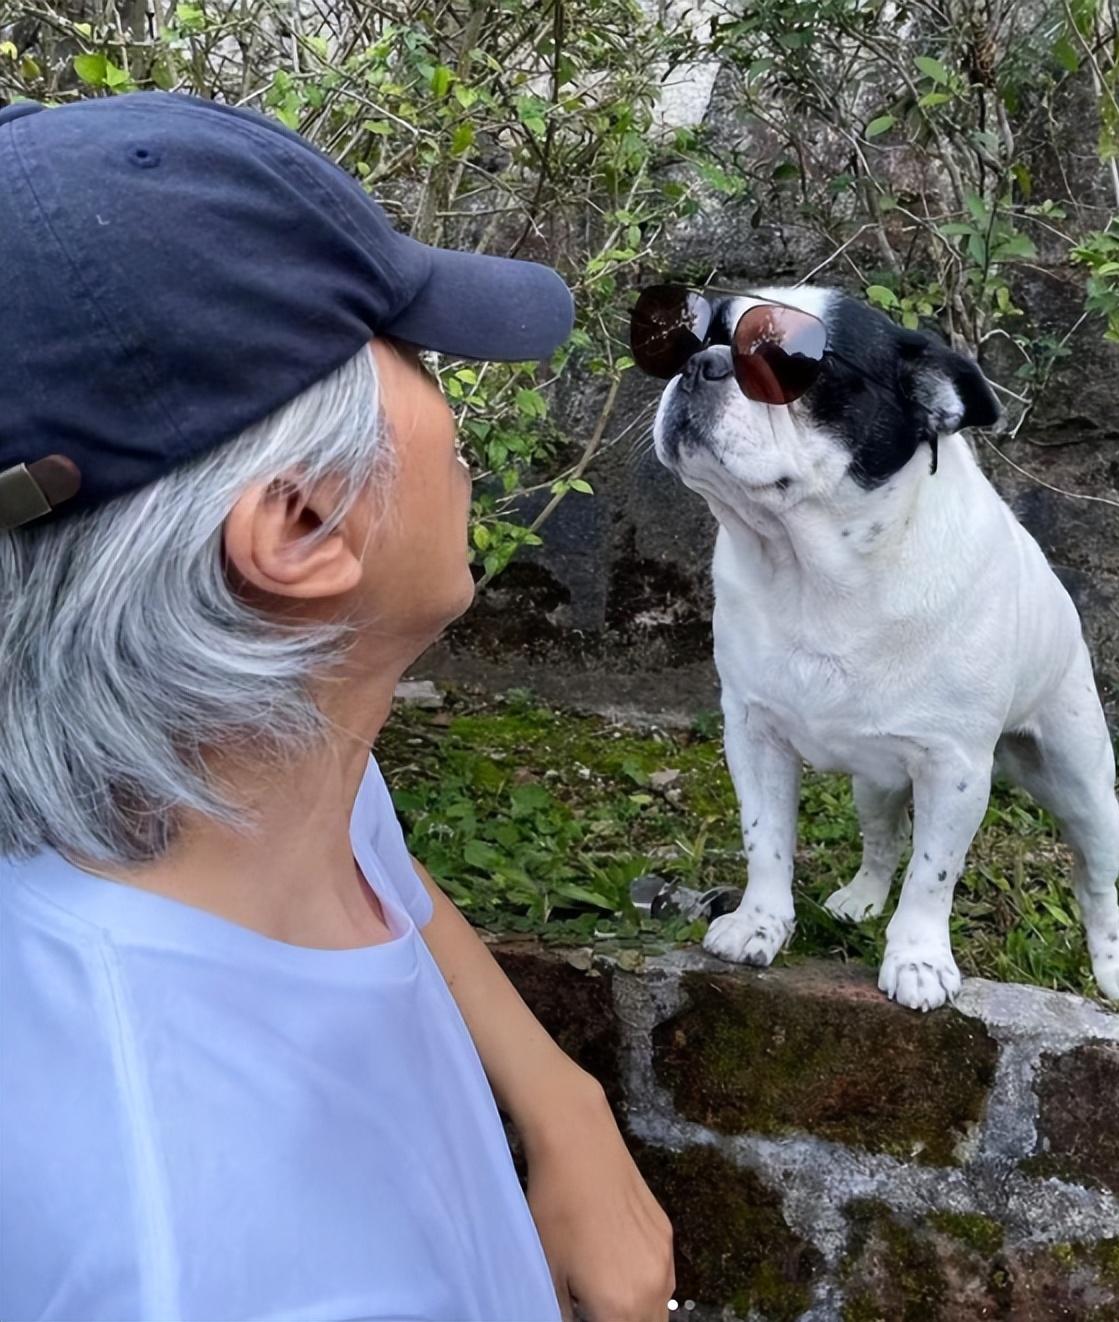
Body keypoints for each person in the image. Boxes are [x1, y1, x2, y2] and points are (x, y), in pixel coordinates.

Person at [0, 92, 674, 1322]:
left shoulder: (217, 771)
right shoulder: (194, 1261)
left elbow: (376, 854)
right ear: (304, 525)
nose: (450, 401)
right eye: (398, 347)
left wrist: (562, 1102)